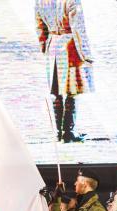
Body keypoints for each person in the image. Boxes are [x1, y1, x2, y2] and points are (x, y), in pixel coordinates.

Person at [35, 0, 94, 143]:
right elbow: (78, 27)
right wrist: (86, 54)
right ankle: (68, 131)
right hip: (70, 46)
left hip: (52, 45)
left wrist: (44, 47)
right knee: (71, 91)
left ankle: (59, 132)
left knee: (55, 92)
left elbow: (40, 27)